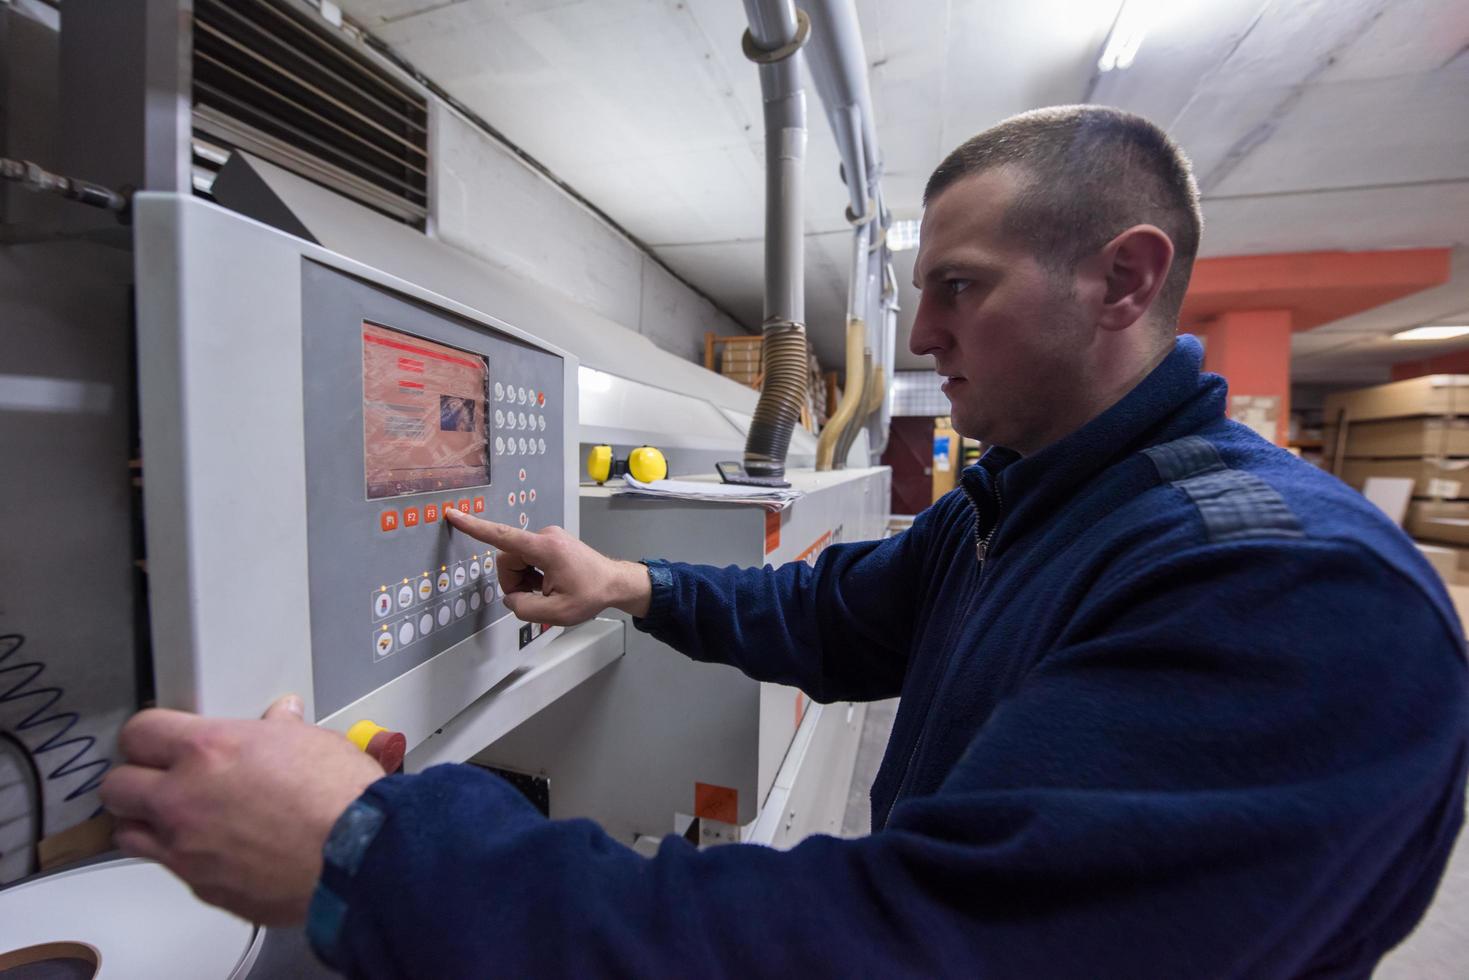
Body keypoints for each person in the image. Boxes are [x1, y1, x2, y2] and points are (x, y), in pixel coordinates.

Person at [100, 106, 1467, 977]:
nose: (922, 341)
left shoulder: (1277, 589)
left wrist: (368, 849)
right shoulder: (1042, 501)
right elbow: (835, 615)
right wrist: (625, 580)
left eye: (957, 290)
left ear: (1123, 277)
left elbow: (915, 951)